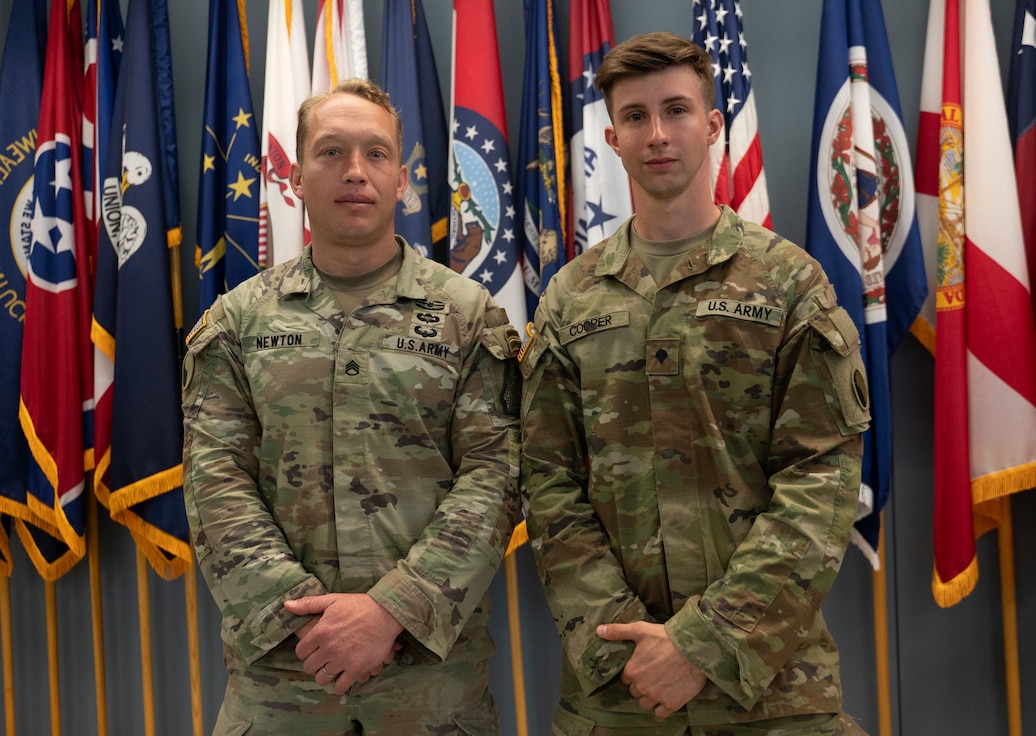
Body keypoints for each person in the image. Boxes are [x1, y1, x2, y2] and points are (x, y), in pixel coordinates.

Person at [519, 32, 871, 736]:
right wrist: (624, 640)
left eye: (677, 110)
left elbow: (820, 479)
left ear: (712, 125)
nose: (657, 133)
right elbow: (546, 482)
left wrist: (704, 645)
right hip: (617, 690)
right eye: (636, 116)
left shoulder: (788, 281)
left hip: (769, 690)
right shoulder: (570, 299)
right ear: (612, 137)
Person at [182, 78, 522, 736]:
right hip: (282, 687)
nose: (355, 172)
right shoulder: (236, 322)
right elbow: (214, 482)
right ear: (297, 178)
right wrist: (311, 618)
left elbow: (497, 476)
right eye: (331, 152)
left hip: (430, 693)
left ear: (402, 179)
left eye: (375, 153)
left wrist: (391, 610)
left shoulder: (468, 318)